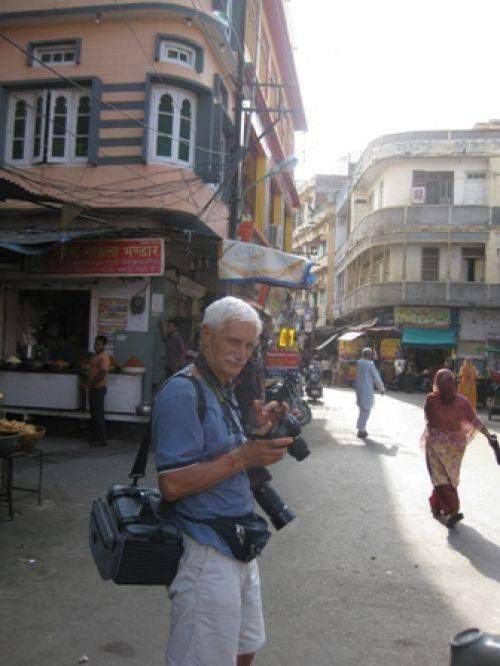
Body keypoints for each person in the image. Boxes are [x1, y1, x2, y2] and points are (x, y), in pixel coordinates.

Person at [152, 296, 293, 666]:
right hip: (206, 550)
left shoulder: (222, 387)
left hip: (240, 543)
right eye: (233, 342)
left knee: (245, 648)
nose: (240, 354)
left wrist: (259, 432)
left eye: (248, 346)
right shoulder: (183, 392)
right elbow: (172, 484)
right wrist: (242, 457)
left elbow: (226, 450)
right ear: (206, 335)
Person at [421, 368, 495, 528]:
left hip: (436, 444)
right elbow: (475, 421)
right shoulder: (462, 402)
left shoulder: (432, 400)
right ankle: (438, 505)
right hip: (455, 447)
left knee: (441, 479)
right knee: (448, 478)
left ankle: (453, 510)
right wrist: (488, 436)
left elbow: (428, 418)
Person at [84, 335, 110, 447]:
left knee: (98, 414)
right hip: (93, 388)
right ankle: (95, 437)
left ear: (104, 345)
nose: (96, 346)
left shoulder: (104, 357)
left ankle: (101, 439)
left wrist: (91, 383)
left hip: (99, 388)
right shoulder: (95, 356)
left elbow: (102, 373)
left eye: (98, 344)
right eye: (95, 343)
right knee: (94, 414)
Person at [355, 347, 385, 439]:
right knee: (366, 410)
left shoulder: (359, 362)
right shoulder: (369, 364)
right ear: (367, 355)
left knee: (362, 409)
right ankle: (361, 430)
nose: (372, 356)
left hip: (359, 389)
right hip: (366, 389)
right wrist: (381, 389)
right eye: (371, 354)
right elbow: (376, 377)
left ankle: (360, 428)